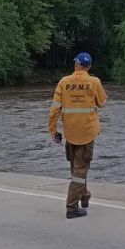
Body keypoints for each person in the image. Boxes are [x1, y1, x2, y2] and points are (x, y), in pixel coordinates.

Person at [48, 52, 107, 219]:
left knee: (78, 169)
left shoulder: (64, 82)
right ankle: (72, 207)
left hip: (70, 133)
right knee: (80, 171)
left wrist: (53, 131)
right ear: (88, 67)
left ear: (76, 64)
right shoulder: (94, 82)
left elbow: (54, 109)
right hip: (87, 133)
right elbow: (102, 103)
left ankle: (85, 196)